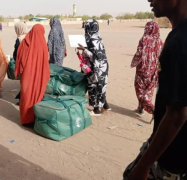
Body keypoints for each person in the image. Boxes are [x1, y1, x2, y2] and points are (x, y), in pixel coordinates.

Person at [124, 0, 187, 179]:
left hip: (174, 156)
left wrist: (144, 166)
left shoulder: (179, 41)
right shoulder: (174, 36)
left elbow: (176, 116)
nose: (149, 0)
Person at [15, 24, 50, 124]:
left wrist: (19, 71)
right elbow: (46, 62)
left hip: (27, 75)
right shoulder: (43, 44)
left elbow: (20, 59)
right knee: (37, 95)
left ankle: (26, 119)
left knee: (26, 95)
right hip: (40, 76)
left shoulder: (26, 42)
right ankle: (34, 119)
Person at [77, 19, 110, 116]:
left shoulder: (89, 39)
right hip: (104, 66)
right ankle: (105, 105)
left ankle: (96, 110)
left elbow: (95, 57)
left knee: (93, 86)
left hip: (95, 67)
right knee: (101, 85)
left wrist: (84, 50)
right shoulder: (98, 38)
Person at [131, 21, 163, 116]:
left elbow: (139, 53)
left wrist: (134, 63)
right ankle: (140, 109)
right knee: (148, 90)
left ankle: (152, 109)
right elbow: (162, 56)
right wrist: (160, 70)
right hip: (154, 71)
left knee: (140, 90)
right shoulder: (159, 41)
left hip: (143, 69)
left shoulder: (144, 39)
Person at [13, 22, 28, 105]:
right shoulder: (30, 37)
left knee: (24, 82)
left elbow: (16, 53)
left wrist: (15, 60)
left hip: (23, 65)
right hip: (31, 64)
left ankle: (22, 99)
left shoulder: (19, 39)